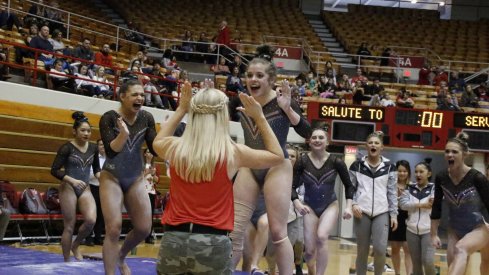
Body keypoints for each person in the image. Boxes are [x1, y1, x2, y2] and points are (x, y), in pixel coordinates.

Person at [153, 81, 284, 274]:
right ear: (223, 116)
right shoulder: (232, 153)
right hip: (214, 243)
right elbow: (277, 156)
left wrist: (181, 108)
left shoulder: (174, 148)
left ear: (194, 114)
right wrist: (260, 118)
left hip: (174, 239)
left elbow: (158, 141)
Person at [229, 45, 312, 274]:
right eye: (249, 75)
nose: (253, 79)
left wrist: (288, 109)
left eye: (259, 76)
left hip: (277, 166)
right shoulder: (239, 100)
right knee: (235, 231)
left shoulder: (283, 100)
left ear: (271, 79)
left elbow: (307, 132)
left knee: (277, 232)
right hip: (250, 165)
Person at [98, 79, 158, 275]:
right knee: (114, 228)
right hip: (112, 176)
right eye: (135, 94)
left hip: (135, 178)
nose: (140, 98)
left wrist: (167, 138)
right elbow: (111, 151)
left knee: (143, 228)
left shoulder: (146, 117)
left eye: (142, 95)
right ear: (122, 96)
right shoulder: (109, 118)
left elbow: (154, 148)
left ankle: (121, 256)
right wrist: (123, 135)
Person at [291, 128, 354, 275]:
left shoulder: (336, 162)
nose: (317, 140)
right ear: (309, 141)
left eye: (321, 137)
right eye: (314, 138)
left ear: (327, 142)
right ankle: (312, 269)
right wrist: (296, 202)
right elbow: (292, 186)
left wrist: (349, 207)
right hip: (309, 207)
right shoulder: (303, 161)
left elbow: (349, 185)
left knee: (322, 237)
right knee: (310, 252)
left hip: (329, 206)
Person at [431, 132, 489, 275]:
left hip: (478, 228)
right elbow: (436, 206)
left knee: (464, 251)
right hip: (454, 231)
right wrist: (433, 234)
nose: (450, 155)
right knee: (453, 265)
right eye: (447, 151)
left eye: (454, 152)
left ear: (464, 154)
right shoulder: (441, 177)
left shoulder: (477, 177)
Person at [50, 111, 99, 261]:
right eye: (83, 130)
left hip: (85, 188)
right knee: (69, 226)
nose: (86, 133)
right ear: (74, 131)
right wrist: (72, 180)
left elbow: (97, 169)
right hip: (68, 188)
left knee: (91, 220)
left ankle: (75, 245)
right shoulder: (67, 148)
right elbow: (54, 170)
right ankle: (66, 261)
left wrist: (104, 178)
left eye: (88, 131)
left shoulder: (93, 148)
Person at [349, 131, 398, 275]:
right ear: (366, 146)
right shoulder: (356, 165)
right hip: (361, 211)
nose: (373, 145)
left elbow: (392, 192)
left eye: (376, 143)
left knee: (380, 248)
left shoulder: (390, 167)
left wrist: (394, 215)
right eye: (370, 143)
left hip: (381, 212)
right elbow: (350, 188)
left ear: (382, 147)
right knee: (362, 250)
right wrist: (353, 204)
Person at [266, 145, 306, 275]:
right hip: (276, 217)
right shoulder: (273, 172)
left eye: (293, 156)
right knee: (272, 249)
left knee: (295, 244)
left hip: (295, 216)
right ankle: (272, 271)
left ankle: (296, 264)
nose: (289, 158)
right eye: (287, 155)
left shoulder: (302, 176)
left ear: (297, 158)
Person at [400, 161, 436, 275]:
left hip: (429, 231)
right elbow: (403, 205)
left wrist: (414, 205)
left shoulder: (434, 188)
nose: (418, 174)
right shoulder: (409, 188)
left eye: (421, 172)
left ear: (429, 174)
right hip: (411, 231)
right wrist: (422, 205)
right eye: (416, 172)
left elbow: (434, 204)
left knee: (428, 261)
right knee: (416, 263)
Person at [388, 160, 413, 275]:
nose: (402, 173)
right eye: (399, 171)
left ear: (408, 172)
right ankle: (397, 273)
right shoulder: (390, 185)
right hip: (394, 218)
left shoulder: (412, 186)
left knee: (408, 249)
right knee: (395, 248)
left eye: (405, 171)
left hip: (408, 219)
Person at [85, 139, 106, 246]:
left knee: (101, 215)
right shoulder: (93, 158)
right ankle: (88, 238)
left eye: (104, 144)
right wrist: (101, 175)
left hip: (104, 189)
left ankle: (98, 237)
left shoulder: (109, 159)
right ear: (97, 146)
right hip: (92, 187)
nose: (103, 146)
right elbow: (90, 174)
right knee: (91, 213)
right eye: (101, 145)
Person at [143, 148, 158, 244]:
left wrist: (154, 174)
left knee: (150, 215)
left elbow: (157, 180)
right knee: (142, 214)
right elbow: (137, 177)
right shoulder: (141, 165)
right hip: (142, 192)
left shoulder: (154, 166)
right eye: (148, 152)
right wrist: (147, 172)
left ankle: (148, 236)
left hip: (151, 192)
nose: (150, 154)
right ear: (144, 154)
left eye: (151, 152)